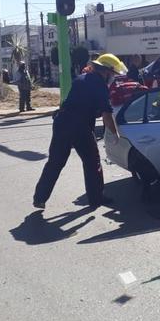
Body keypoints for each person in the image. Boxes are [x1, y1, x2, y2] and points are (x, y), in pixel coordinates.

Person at [33, 53, 125, 210]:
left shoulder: (82, 78)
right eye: (113, 74)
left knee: (55, 161)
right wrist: (115, 135)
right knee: (92, 161)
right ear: (106, 71)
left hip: (62, 122)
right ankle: (96, 199)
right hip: (80, 126)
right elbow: (106, 114)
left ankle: (39, 198)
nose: (113, 78)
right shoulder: (99, 84)